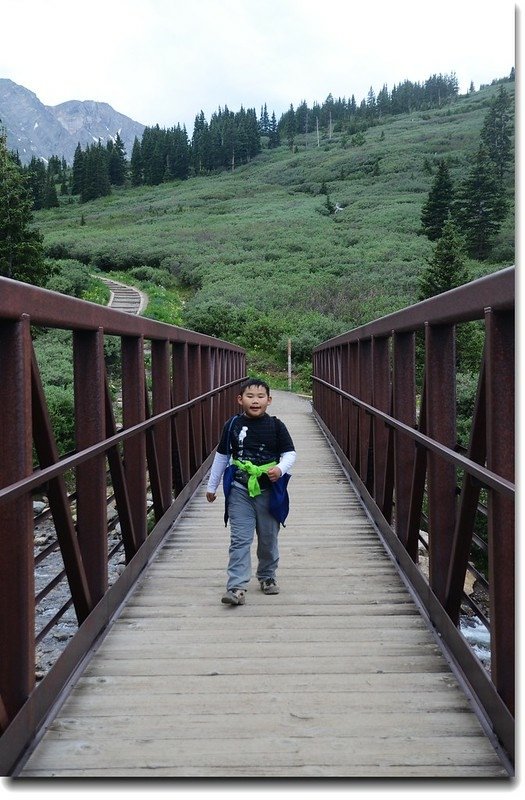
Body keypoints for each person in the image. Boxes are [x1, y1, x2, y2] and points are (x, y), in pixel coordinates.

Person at [206, 378, 296, 606]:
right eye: (250, 396)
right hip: (239, 489)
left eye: (260, 397)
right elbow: (222, 456)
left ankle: (267, 576)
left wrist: (280, 468)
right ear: (240, 399)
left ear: (269, 400)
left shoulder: (276, 426)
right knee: (240, 539)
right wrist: (211, 485)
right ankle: (236, 586)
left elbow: (290, 453)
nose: (255, 401)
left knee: (268, 538)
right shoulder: (232, 425)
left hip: (268, 489)